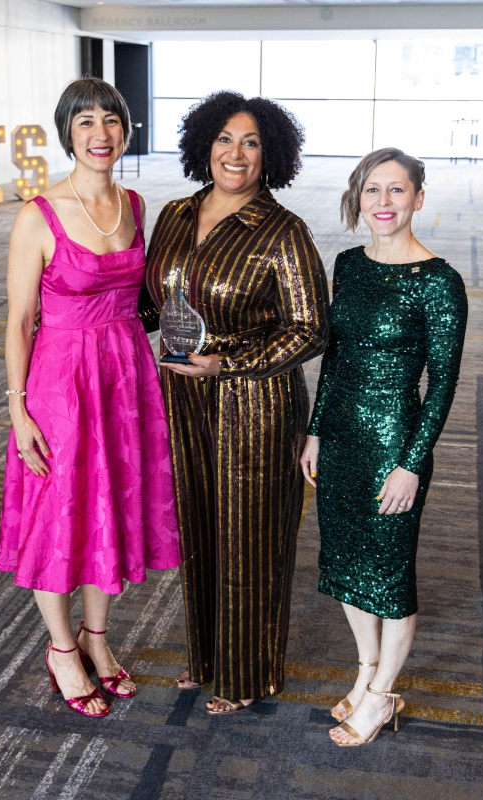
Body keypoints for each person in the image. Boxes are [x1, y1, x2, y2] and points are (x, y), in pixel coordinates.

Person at [0, 78, 181, 718]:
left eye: (110, 120)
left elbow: (151, 299)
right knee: (60, 512)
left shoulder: (134, 202)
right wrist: (19, 410)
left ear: (125, 131)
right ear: (67, 133)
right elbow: (20, 320)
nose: (100, 133)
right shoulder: (37, 214)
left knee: (114, 505)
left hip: (125, 374)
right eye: (85, 123)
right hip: (61, 381)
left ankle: (98, 640)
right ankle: (61, 648)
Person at [146, 91, 330, 715]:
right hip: (183, 400)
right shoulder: (173, 214)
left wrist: (229, 363)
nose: (236, 152)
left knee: (250, 541)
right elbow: (148, 302)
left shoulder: (283, 230)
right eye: (225, 138)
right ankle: (205, 660)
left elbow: (309, 329)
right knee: (198, 529)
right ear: (204, 144)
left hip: (254, 407)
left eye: (251, 142)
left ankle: (246, 674)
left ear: (269, 154)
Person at [300, 147, 468, 746]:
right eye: (373, 190)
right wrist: (316, 429)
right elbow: (337, 355)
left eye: (397, 190)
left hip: (395, 443)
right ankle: (368, 670)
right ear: (358, 197)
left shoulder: (440, 283)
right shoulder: (347, 264)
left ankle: (381, 696)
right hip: (341, 438)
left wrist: (411, 465)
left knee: (391, 576)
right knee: (347, 565)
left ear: (418, 198)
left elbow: (442, 384)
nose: (384, 202)